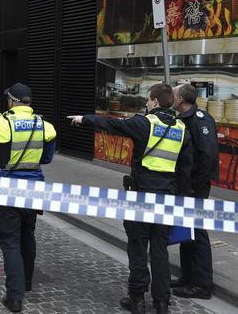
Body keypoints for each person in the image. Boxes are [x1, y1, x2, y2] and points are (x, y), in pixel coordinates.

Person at [69, 83, 193, 314]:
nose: (146, 104)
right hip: (166, 197)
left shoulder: (144, 123)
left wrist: (84, 119)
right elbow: (186, 170)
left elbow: (113, 124)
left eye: (148, 100)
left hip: (141, 196)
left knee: (137, 247)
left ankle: (137, 299)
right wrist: (181, 199)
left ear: (155, 101)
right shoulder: (182, 128)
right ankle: (162, 302)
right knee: (160, 250)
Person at [0, 83, 57, 313]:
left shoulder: (2, 122)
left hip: (8, 190)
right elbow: (46, 159)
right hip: (34, 190)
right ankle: (26, 283)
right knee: (28, 236)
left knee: (10, 243)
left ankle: (15, 297)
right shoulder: (45, 126)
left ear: (13, 101)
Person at [171, 84, 219, 299]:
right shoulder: (182, 118)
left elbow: (208, 156)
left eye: (173, 94)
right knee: (185, 230)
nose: (170, 97)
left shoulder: (200, 119)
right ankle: (187, 277)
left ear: (180, 98)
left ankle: (202, 285)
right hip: (184, 186)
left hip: (194, 188)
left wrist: (195, 187)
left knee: (197, 233)